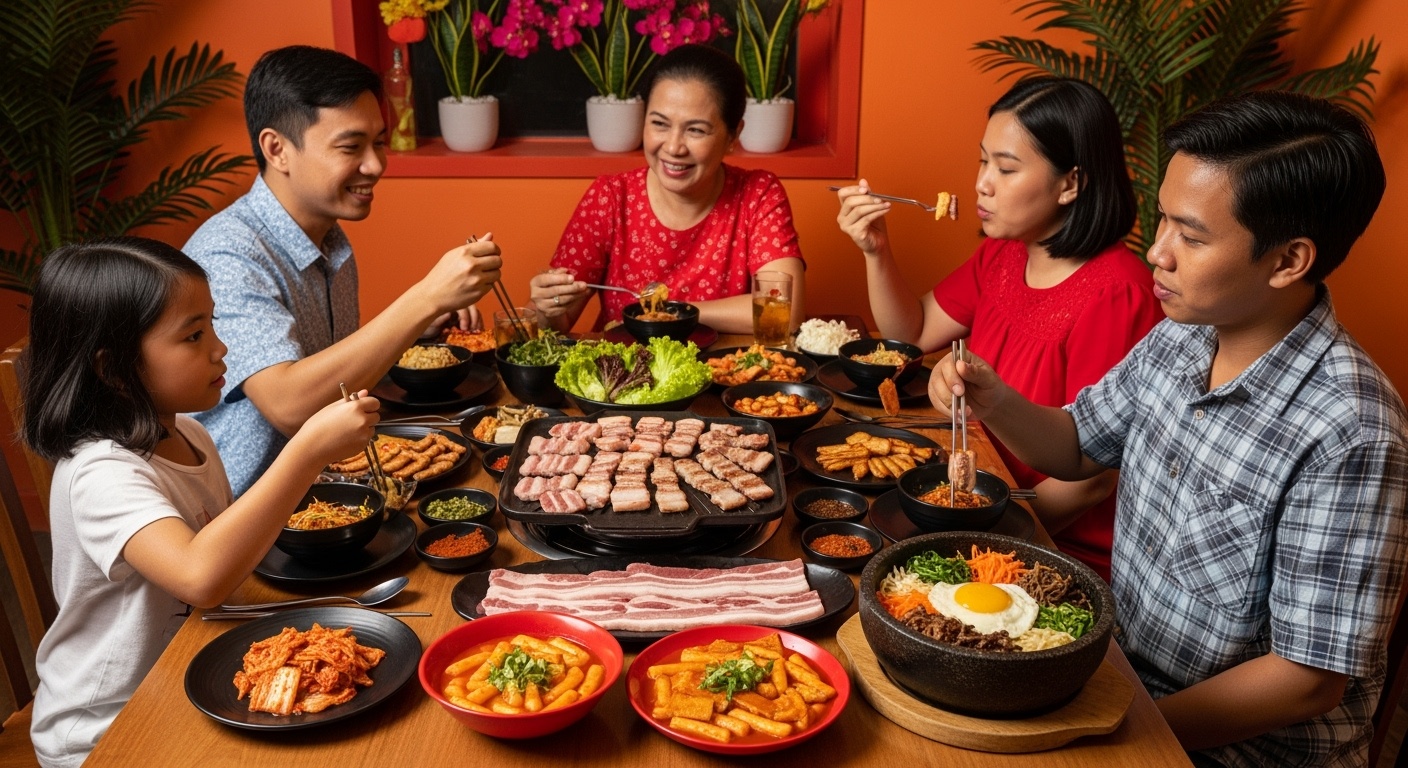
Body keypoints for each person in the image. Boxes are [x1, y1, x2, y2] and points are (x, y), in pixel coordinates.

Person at [932, 91, 1405, 767]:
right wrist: (991, 395)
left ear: (1288, 261)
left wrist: (1123, 731)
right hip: (1117, 679)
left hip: (1228, 747)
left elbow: (1307, 681)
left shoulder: (1352, 431)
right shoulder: (1181, 340)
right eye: (1162, 222)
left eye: (1192, 235)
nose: (1157, 253)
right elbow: (1072, 447)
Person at [20, 237, 381, 768]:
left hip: (190, 673)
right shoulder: (98, 472)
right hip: (108, 729)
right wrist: (306, 449)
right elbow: (200, 578)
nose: (221, 348)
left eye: (211, 324)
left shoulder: (191, 435)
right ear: (113, 369)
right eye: (193, 335)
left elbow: (231, 556)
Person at [835, 77, 1163, 580]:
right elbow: (914, 334)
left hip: (1042, 542)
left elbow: (1093, 479)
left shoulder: (1119, 293)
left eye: (1006, 168)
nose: (981, 183)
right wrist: (876, 249)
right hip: (975, 501)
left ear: (1071, 183)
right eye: (983, 160)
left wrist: (985, 537)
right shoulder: (1004, 253)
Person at [184, 45, 501, 495]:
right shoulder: (229, 256)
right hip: (245, 517)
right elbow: (290, 405)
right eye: (351, 146)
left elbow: (333, 382)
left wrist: (419, 327)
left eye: (379, 143)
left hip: (329, 485)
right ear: (277, 149)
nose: (375, 165)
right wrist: (425, 297)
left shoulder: (329, 237)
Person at [529, 44, 805, 334]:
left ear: (733, 135)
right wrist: (548, 309)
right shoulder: (610, 196)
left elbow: (785, 310)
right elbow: (551, 328)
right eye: (659, 124)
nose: (673, 147)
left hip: (727, 374)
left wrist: (669, 310)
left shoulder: (758, 193)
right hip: (622, 373)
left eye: (696, 130)